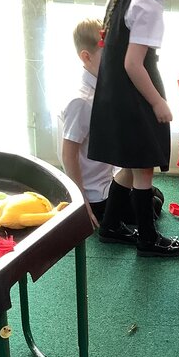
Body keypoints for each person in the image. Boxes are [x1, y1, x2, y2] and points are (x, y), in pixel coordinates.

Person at [87, 0, 179, 258]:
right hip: (135, 93)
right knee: (143, 166)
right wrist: (158, 102)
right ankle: (148, 238)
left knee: (132, 164)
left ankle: (111, 226)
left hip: (116, 93)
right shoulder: (148, 6)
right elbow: (134, 64)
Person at [58, 18, 133, 244]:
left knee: (153, 197)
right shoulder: (81, 100)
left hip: (106, 180)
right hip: (95, 195)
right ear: (86, 57)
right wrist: (81, 203)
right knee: (152, 206)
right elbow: (68, 154)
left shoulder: (102, 88)